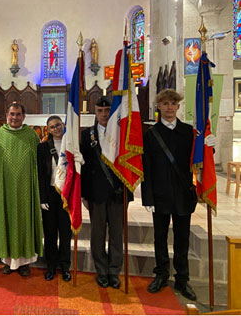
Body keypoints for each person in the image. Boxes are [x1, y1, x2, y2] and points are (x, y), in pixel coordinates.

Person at [142, 89, 199, 301]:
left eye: (173, 104)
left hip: (183, 193)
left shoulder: (188, 132)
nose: (169, 107)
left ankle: (183, 279)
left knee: (182, 239)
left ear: (178, 106)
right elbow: (147, 168)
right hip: (160, 194)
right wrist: (147, 197)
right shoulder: (151, 134)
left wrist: (208, 148)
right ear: (159, 106)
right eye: (165, 103)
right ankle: (161, 274)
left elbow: (198, 158)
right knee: (160, 237)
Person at [80, 96, 133, 289]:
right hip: (96, 194)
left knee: (117, 235)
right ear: (95, 112)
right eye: (100, 111)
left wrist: (129, 190)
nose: (103, 114)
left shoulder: (122, 134)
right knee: (98, 235)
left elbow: (130, 163)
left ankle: (114, 272)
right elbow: (84, 168)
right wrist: (83, 195)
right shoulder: (87, 136)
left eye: (107, 111)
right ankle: (101, 271)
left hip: (118, 192)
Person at [0, 102, 43, 277]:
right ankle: (7, 260)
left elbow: (40, 163)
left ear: (24, 116)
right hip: (4, 188)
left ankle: (25, 262)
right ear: (6, 115)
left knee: (24, 220)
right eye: (12, 114)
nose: (15, 117)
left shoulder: (32, 136)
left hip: (26, 189)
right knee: (6, 219)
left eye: (18, 114)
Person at [37, 115, 72, 282]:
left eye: (58, 125)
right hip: (50, 194)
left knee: (65, 232)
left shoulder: (71, 146)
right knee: (50, 233)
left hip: (66, 194)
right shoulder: (42, 148)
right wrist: (42, 198)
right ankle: (50, 266)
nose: (56, 129)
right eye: (52, 127)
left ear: (63, 125)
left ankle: (65, 266)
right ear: (48, 130)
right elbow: (41, 175)